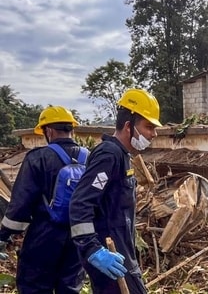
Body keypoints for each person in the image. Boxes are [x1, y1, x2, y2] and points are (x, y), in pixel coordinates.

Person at [69, 88, 162, 294]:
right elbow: (80, 204)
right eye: (148, 127)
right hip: (109, 258)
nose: (153, 134)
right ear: (128, 126)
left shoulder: (122, 155)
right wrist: (92, 250)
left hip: (121, 256)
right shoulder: (108, 155)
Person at [0, 106, 86, 293]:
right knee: (70, 288)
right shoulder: (91, 158)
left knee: (34, 287)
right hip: (79, 238)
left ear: (48, 130)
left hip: (44, 236)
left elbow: (21, 204)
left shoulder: (38, 158)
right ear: (72, 129)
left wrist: (4, 235)